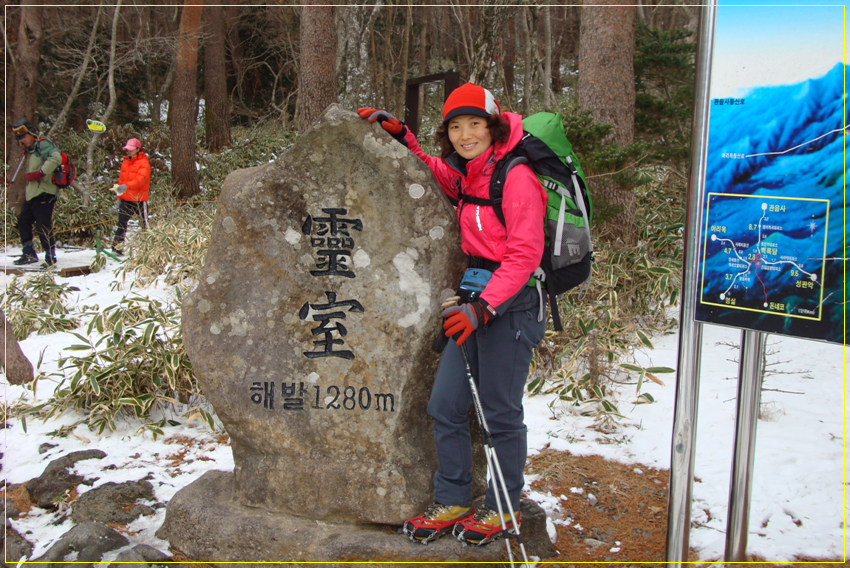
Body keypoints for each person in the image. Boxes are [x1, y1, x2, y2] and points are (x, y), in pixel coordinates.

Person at [358, 83, 548, 546]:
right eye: (456, 127)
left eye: (474, 124)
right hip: (472, 303)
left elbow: (525, 256)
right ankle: (454, 498)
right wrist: (406, 141)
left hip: (511, 306)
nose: (465, 134)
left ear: (493, 126)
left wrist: (483, 309)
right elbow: (438, 175)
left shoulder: (516, 176)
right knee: (444, 405)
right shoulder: (470, 174)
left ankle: (503, 508)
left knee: (500, 414)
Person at [11, 119, 61, 268]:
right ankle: (28, 253)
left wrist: (40, 173)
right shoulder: (32, 148)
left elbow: (56, 157)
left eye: (24, 137)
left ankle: (50, 257)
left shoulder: (43, 145)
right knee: (23, 220)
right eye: (20, 139)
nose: (23, 141)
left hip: (45, 192)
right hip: (33, 193)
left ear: (31, 134)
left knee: (43, 225)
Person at [110, 138, 151, 255]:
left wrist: (126, 186)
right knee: (121, 223)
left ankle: (149, 247)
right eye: (128, 149)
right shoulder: (125, 162)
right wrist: (119, 197)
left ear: (138, 149)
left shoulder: (144, 163)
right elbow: (121, 181)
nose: (129, 151)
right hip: (126, 198)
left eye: (131, 149)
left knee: (144, 224)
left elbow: (140, 180)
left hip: (139, 199)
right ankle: (117, 247)